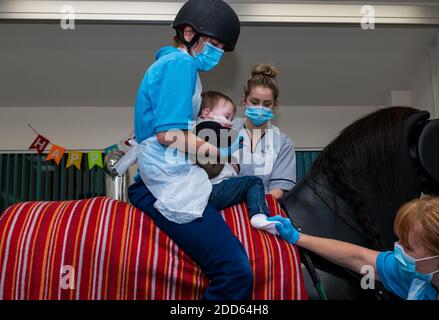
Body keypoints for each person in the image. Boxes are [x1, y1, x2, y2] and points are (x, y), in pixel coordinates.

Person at [118, 0, 254, 300]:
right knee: (235, 272)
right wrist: (220, 152)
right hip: (164, 182)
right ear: (190, 33)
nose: (217, 52)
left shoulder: (174, 64)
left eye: (222, 46)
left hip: (168, 173)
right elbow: (168, 134)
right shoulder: (179, 65)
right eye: (214, 43)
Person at [269, 197, 439, 300]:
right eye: (399, 240)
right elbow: (358, 257)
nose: (398, 249)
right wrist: (298, 237)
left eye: (408, 247)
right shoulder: (414, 276)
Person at [194, 91, 291, 235]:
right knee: (254, 182)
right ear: (206, 113)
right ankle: (259, 215)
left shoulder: (283, 141)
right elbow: (215, 158)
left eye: (266, 104)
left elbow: (215, 158)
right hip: (213, 190)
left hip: (214, 190)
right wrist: (231, 147)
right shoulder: (205, 128)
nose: (229, 122)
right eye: (227, 117)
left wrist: (232, 162)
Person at [233, 64, 296, 200]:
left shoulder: (283, 142)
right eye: (254, 102)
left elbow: (279, 187)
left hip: (264, 208)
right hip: (225, 206)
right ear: (244, 100)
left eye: (267, 104)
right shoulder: (226, 130)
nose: (260, 108)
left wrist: (258, 208)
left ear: (275, 105)